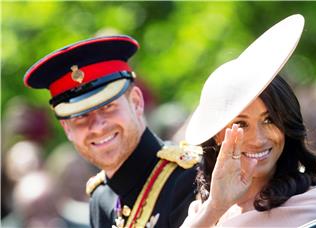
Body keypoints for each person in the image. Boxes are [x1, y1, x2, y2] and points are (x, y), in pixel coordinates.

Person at [23, 35, 201, 228]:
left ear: (136, 102)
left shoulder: (190, 177)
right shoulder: (101, 198)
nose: (97, 126)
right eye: (80, 117)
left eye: (108, 107)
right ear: (67, 129)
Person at [182, 14, 316, 227]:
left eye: (269, 120)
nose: (258, 139)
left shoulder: (312, 203)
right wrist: (215, 208)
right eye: (241, 124)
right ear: (218, 135)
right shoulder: (202, 209)